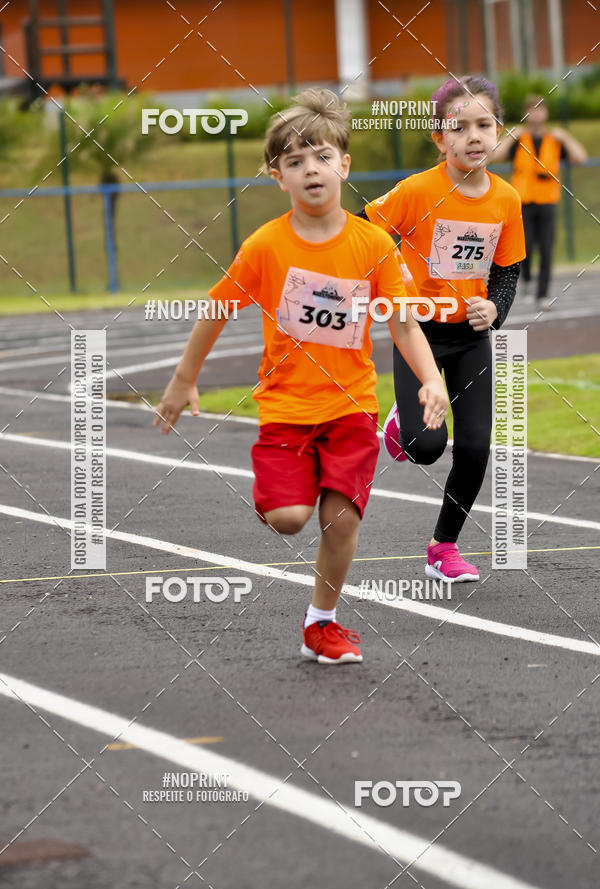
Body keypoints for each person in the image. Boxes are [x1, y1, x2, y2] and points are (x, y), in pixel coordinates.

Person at [153, 88, 447, 664]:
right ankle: (284, 488)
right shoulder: (265, 246)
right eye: (295, 161)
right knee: (290, 519)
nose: (311, 169)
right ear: (277, 176)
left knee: (341, 521)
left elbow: (404, 323)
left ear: (344, 165)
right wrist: (184, 379)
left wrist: (431, 380)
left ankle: (321, 622)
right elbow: (216, 308)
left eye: (321, 156)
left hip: (351, 406)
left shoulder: (373, 243)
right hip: (287, 408)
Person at [359, 76, 526, 583]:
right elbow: (362, 232)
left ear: (498, 132)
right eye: (460, 127)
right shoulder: (417, 191)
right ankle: (402, 425)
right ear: (440, 138)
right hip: (419, 335)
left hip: (470, 338)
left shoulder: (507, 199)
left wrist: (495, 309)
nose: (474, 136)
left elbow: (507, 270)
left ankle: (443, 547)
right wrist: (392, 275)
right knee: (426, 447)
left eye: (485, 125)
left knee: (475, 448)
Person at [494, 95, 587, 311]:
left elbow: (580, 157)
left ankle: (542, 295)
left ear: (546, 113)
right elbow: (495, 155)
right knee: (524, 247)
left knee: (546, 248)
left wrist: (566, 137)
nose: (536, 114)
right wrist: (510, 136)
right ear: (526, 114)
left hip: (547, 202)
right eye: (532, 109)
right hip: (523, 202)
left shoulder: (555, 140)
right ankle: (526, 279)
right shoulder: (518, 139)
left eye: (539, 109)